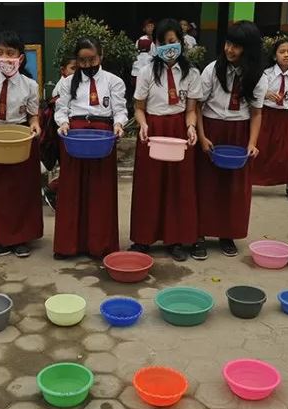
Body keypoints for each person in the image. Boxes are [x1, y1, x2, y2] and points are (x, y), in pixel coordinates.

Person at [193, 21, 268, 259]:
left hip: (239, 133)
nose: (229, 49)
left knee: (234, 188)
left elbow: (257, 113)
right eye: (228, 43)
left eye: (236, 46)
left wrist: (252, 143)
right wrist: (203, 138)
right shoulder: (212, 69)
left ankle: (227, 234)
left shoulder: (257, 76)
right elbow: (197, 105)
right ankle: (199, 234)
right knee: (206, 185)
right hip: (212, 129)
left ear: (249, 49)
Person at [130, 18, 202, 262]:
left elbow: (191, 109)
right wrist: (143, 125)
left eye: (173, 42)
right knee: (149, 185)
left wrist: (191, 127)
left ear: (181, 42)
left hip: (178, 129)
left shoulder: (191, 72)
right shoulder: (147, 71)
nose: (168, 48)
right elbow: (139, 108)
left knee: (178, 187)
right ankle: (143, 239)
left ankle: (176, 240)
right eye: (163, 43)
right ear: (155, 45)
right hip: (153, 129)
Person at [54, 37, 127, 259]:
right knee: (71, 191)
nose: (87, 65)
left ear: (100, 56)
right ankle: (69, 245)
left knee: (100, 191)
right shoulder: (67, 82)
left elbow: (120, 110)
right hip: (75, 137)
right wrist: (63, 123)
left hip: (102, 137)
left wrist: (118, 125)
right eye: (82, 61)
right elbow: (61, 109)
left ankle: (100, 245)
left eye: (92, 59)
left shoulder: (114, 81)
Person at [0, 31, 42, 261]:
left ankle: (20, 239)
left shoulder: (30, 85)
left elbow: (33, 117)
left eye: (10, 53)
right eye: (0, 53)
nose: (4, 58)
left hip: (22, 138)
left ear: (20, 58)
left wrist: (35, 126)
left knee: (22, 190)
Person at [252, 37, 288, 201]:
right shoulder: (266, 74)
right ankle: (249, 181)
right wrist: (266, 93)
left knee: (286, 152)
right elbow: (255, 93)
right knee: (260, 148)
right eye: (282, 52)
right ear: (275, 56)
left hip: (283, 117)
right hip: (266, 114)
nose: (286, 55)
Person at [41, 53, 78, 210]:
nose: (76, 72)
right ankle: (52, 189)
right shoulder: (63, 86)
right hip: (63, 132)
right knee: (72, 169)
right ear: (63, 70)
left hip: (71, 133)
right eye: (73, 68)